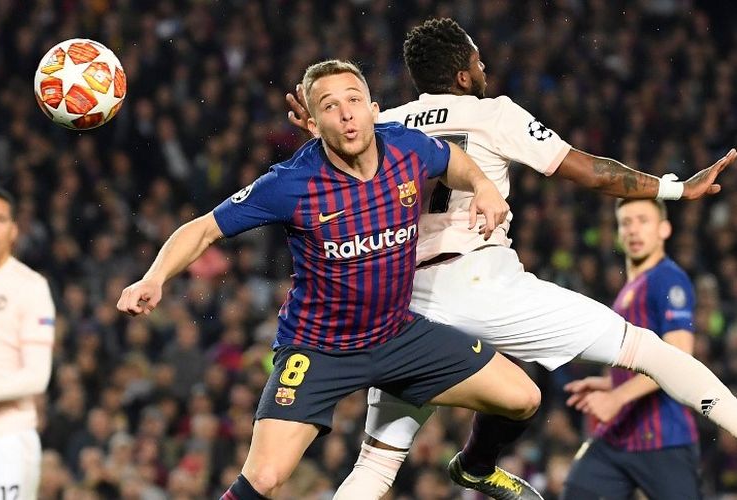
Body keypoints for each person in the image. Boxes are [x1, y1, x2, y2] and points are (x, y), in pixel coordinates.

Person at [284, 18, 737, 500]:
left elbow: (332, 177)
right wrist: (675, 187)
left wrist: (317, 132)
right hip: (481, 283)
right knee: (647, 351)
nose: (485, 67)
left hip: (406, 304)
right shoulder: (494, 114)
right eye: (478, 59)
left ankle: (477, 466)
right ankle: (478, 465)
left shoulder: (383, 123)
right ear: (463, 75)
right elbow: (592, 173)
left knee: (375, 466)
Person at [117, 59, 544, 500]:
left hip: (398, 335)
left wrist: (483, 184)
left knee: (523, 398)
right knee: (264, 478)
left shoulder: (406, 148)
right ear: (314, 124)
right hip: (319, 349)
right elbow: (205, 227)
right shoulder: (292, 183)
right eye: (330, 105)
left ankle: (475, 468)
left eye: (354, 100)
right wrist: (155, 277)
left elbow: (451, 157)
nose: (346, 113)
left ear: (374, 109)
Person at [561, 199, 701, 499]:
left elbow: (679, 358)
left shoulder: (668, 279)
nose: (633, 230)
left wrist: (617, 397)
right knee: (577, 491)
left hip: (663, 439)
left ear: (664, 229)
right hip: (619, 437)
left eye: (643, 220)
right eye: (626, 222)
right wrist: (611, 382)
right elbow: (646, 359)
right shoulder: (632, 287)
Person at [0, 186, 56, 500]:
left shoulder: (29, 287)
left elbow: (36, 376)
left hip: (5, 440)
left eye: (0, 219)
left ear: (14, 231)